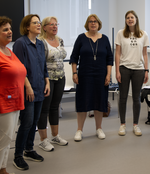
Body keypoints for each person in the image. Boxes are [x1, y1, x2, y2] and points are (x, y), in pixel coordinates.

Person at [12, 14, 50, 171]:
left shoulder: (40, 44)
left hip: (40, 87)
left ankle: (29, 149)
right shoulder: (21, 44)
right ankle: (18, 156)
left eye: (39, 23)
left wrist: (47, 81)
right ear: (27, 26)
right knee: (26, 123)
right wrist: (27, 86)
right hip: (28, 89)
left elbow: (43, 66)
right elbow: (20, 68)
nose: (39, 25)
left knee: (34, 122)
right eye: (35, 23)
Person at [70, 14, 113, 141]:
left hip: (100, 75)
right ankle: (79, 130)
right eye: (90, 21)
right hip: (84, 75)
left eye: (95, 21)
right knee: (83, 101)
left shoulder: (104, 39)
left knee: (99, 101)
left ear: (99, 24)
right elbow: (74, 57)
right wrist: (74, 73)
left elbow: (109, 59)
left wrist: (108, 75)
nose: (93, 23)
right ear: (87, 24)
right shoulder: (81, 38)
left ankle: (99, 128)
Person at [115, 10, 149, 136]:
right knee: (123, 97)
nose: (130, 19)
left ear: (136, 19)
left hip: (139, 69)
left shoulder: (143, 34)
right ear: (125, 20)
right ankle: (122, 124)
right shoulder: (120, 33)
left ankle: (136, 125)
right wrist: (117, 70)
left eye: (132, 17)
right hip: (124, 68)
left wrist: (146, 70)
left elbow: (145, 54)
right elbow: (117, 53)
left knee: (136, 98)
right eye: (128, 17)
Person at [37, 16, 68, 152]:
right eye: (51, 25)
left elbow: (62, 56)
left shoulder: (59, 40)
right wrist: (45, 80)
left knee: (55, 107)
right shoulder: (40, 42)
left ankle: (55, 136)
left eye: (56, 24)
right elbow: (39, 62)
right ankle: (43, 140)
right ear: (44, 27)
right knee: (44, 109)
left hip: (60, 77)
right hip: (47, 79)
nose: (55, 27)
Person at [0, 16, 26, 174]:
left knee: (7, 138)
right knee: (3, 138)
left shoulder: (8, 50)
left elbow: (20, 71)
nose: (10, 32)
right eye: (5, 29)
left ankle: (2, 168)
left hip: (15, 100)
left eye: (10, 28)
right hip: (4, 101)